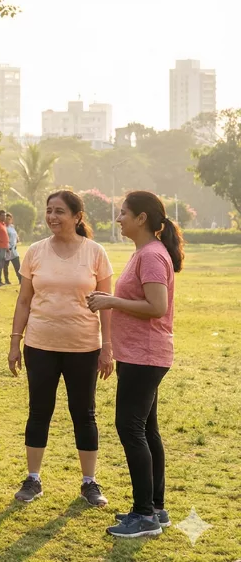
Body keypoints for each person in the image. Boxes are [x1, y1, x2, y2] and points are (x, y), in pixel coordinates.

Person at [8, 190, 114, 507]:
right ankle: (33, 479)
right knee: (39, 411)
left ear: (77, 216)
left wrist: (107, 346)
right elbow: (24, 300)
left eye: (60, 211)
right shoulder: (36, 252)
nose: (53, 217)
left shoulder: (95, 253)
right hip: (39, 344)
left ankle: (89, 482)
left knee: (84, 413)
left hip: (84, 346)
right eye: (49, 210)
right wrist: (15, 341)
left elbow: (106, 305)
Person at [88, 192, 184, 538]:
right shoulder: (144, 253)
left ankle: (144, 515)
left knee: (130, 428)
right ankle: (155, 509)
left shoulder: (153, 256)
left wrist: (110, 300)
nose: (119, 219)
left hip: (145, 355)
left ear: (141, 218)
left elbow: (157, 306)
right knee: (146, 430)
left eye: (123, 213)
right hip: (139, 355)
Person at [5, 212, 23, 284]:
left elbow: (15, 234)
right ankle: (7, 280)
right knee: (5, 266)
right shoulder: (4, 228)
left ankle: (20, 280)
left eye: (9, 219)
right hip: (7, 249)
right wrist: (7, 247)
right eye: (6, 219)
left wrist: (17, 239)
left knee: (17, 265)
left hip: (14, 249)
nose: (8, 220)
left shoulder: (12, 227)